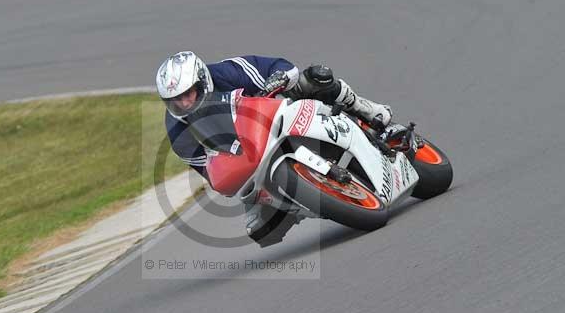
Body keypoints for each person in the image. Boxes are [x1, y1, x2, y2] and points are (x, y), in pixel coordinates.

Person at [156, 51, 393, 246]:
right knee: (260, 229)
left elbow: (285, 67)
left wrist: (276, 80)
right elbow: (208, 171)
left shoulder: (227, 72)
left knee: (314, 78)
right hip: (248, 153)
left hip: (276, 109)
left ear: (202, 81)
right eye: (177, 99)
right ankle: (293, 202)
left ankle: (365, 109)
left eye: (189, 93)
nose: (185, 103)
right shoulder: (178, 132)